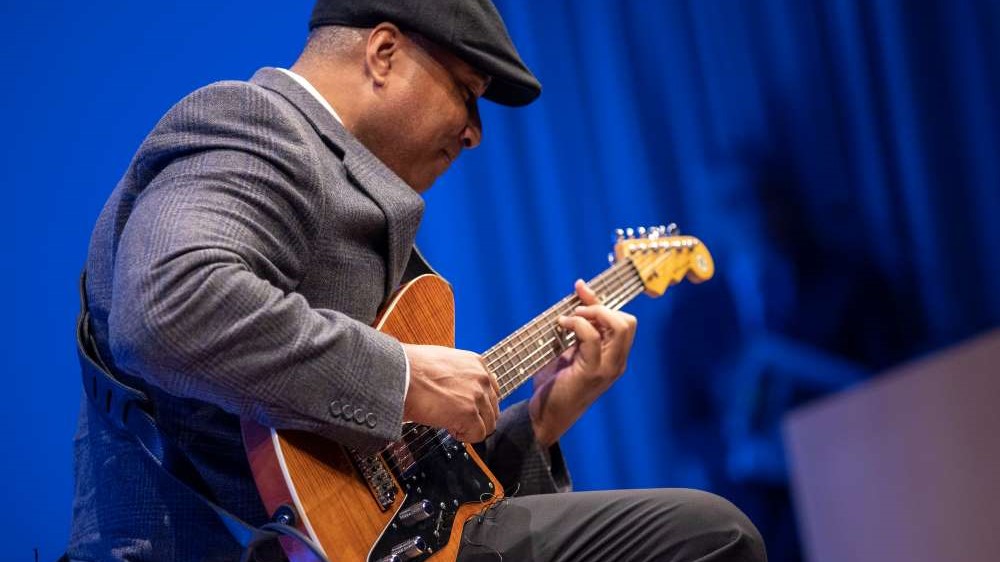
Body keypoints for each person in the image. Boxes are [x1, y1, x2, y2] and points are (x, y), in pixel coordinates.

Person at [65, 1, 767, 560]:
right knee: (710, 534)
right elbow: (168, 306)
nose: (475, 133)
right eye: (467, 92)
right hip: (206, 544)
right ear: (383, 53)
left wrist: (546, 416)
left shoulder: (361, 206)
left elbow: (403, 502)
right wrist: (401, 376)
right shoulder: (255, 125)